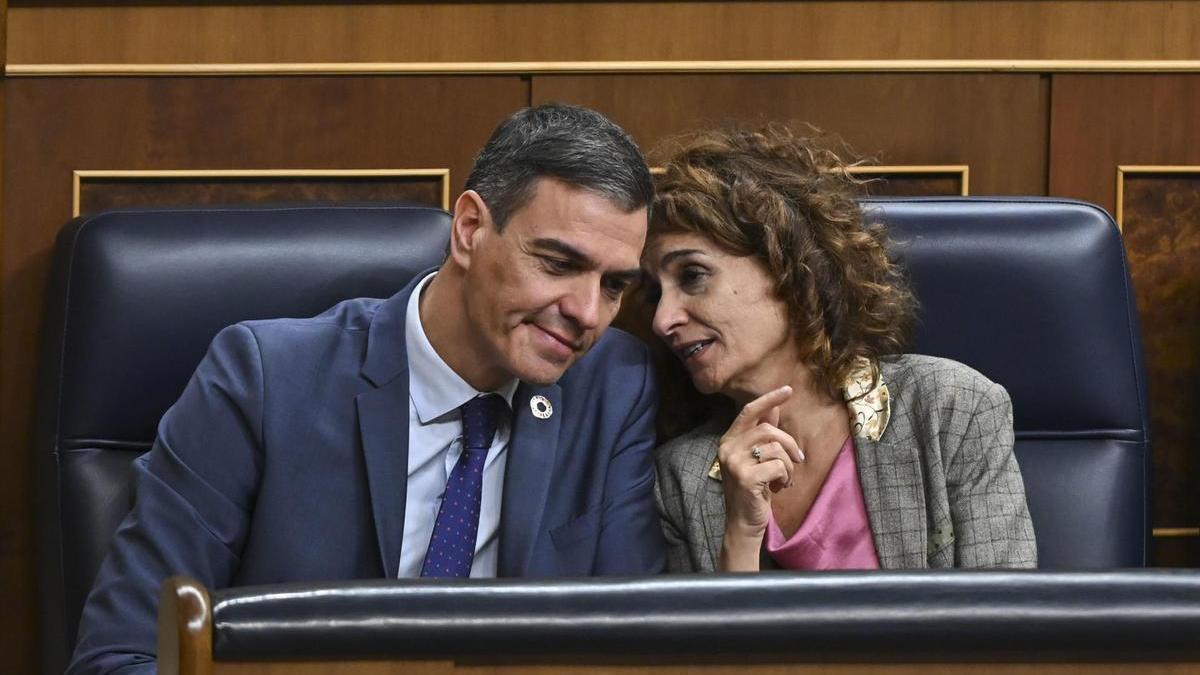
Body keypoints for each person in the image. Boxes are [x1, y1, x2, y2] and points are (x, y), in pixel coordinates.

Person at [69, 104, 666, 674]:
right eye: (558, 264)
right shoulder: (262, 381)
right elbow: (124, 655)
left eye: (614, 285)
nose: (588, 312)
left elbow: (633, 651)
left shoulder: (612, 387)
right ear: (469, 228)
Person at [644, 125, 1037, 572]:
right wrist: (740, 536)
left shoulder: (951, 409)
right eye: (655, 293)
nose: (662, 319)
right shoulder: (679, 477)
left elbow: (1007, 626)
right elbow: (713, 643)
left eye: (693, 275)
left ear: (788, 268)